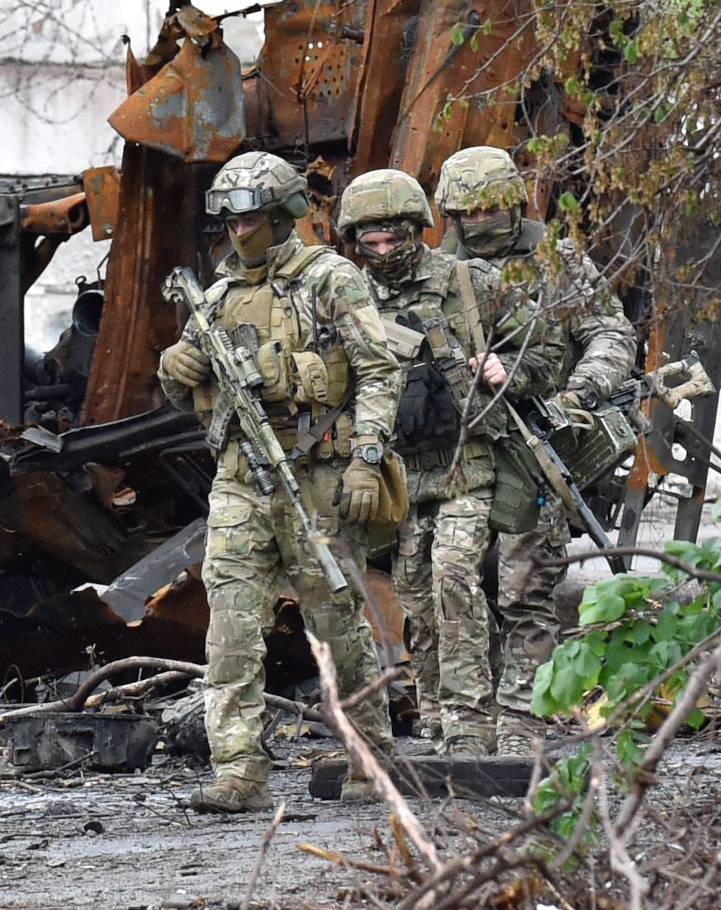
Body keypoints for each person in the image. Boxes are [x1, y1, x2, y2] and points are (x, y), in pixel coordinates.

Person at [154, 151, 402, 812]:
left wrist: (367, 458)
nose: (240, 231)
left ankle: (370, 756)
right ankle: (238, 772)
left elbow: (379, 370)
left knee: (336, 622)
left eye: (253, 218)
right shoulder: (215, 296)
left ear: (285, 213)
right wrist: (176, 370)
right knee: (231, 625)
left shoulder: (329, 280)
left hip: (315, 473)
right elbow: (190, 400)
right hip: (238, 478)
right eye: (230, 220)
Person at [336, 168, 558, 756]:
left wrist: (511, 370)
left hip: (469, 464)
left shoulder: (468, 281)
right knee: (414, 596)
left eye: (394, 239)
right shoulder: (348, 296)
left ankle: (469, 722)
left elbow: (548, 344)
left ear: (419, 229)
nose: (383, 254)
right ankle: (433, 715)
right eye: (370, 243)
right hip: (403, 477)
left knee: (454, 576)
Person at [435, 146, 637, 754]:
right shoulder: (436, 270)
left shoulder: (554, 260)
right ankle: (460, 724)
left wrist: (581, 392)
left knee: (527, 588)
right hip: (463, 447)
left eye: (492, 208)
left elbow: (609, 331)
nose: (481, 221)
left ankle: (525, 723)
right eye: (467, 212)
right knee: (449, 582)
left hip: (540, 439)